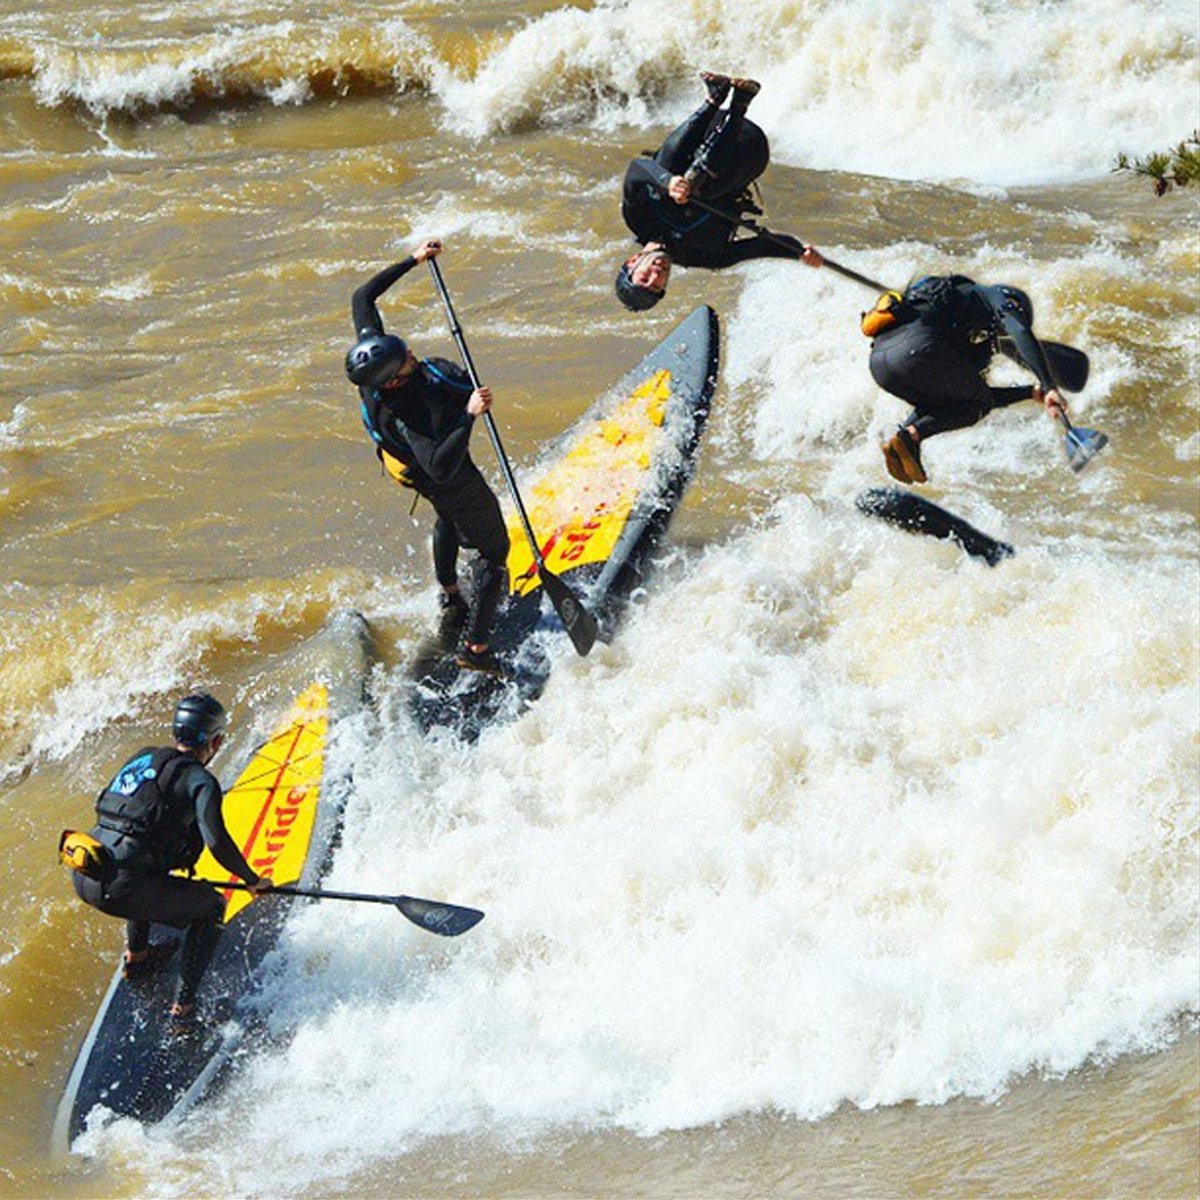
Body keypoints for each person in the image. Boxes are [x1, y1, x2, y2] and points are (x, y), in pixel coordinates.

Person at [345, 239, 509, 676]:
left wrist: (413, 261)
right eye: (405, 362)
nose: (412, 357)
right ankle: (475, 647)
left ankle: (452, 593)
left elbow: (362, 298)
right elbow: (440, 463)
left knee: (446, 519)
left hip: (414, 472)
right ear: (392, 381)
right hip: (444, 474)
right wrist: (469, 416)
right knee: (495, 554)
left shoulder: (371, 363)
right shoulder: (411, 409)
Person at [71, 693, 272, 1029]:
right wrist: (252, 879)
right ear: (216, 740)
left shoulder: (143, 757)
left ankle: (138, 957)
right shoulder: (201, 780)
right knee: (210, 907)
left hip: (86, 871)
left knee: (144, 864)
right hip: (122, 887)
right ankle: (184, 1010)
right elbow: (216, 841)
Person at [615, 71, 824, 311]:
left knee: (666, 171)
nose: (656, 277)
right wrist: (799, 252)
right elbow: (764, 246)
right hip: (748, 152)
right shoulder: (708, 255)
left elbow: (637, 170)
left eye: (644, 279)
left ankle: (714, 99)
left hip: (711, 127)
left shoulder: (638, 220)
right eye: (656, 286)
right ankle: (739, 105)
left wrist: (668, 181)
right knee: (697, 186)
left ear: (632, 263)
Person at [864, 275, 1067, 484]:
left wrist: (1030, 392)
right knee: (976, 404)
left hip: (879, 366)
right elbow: (1020, 331)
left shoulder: (943, 310)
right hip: (919, 350)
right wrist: (1049, 385)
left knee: (943, 403)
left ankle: (901, 441)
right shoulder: (992, 295)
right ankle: (911, 436)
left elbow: (972, 399)